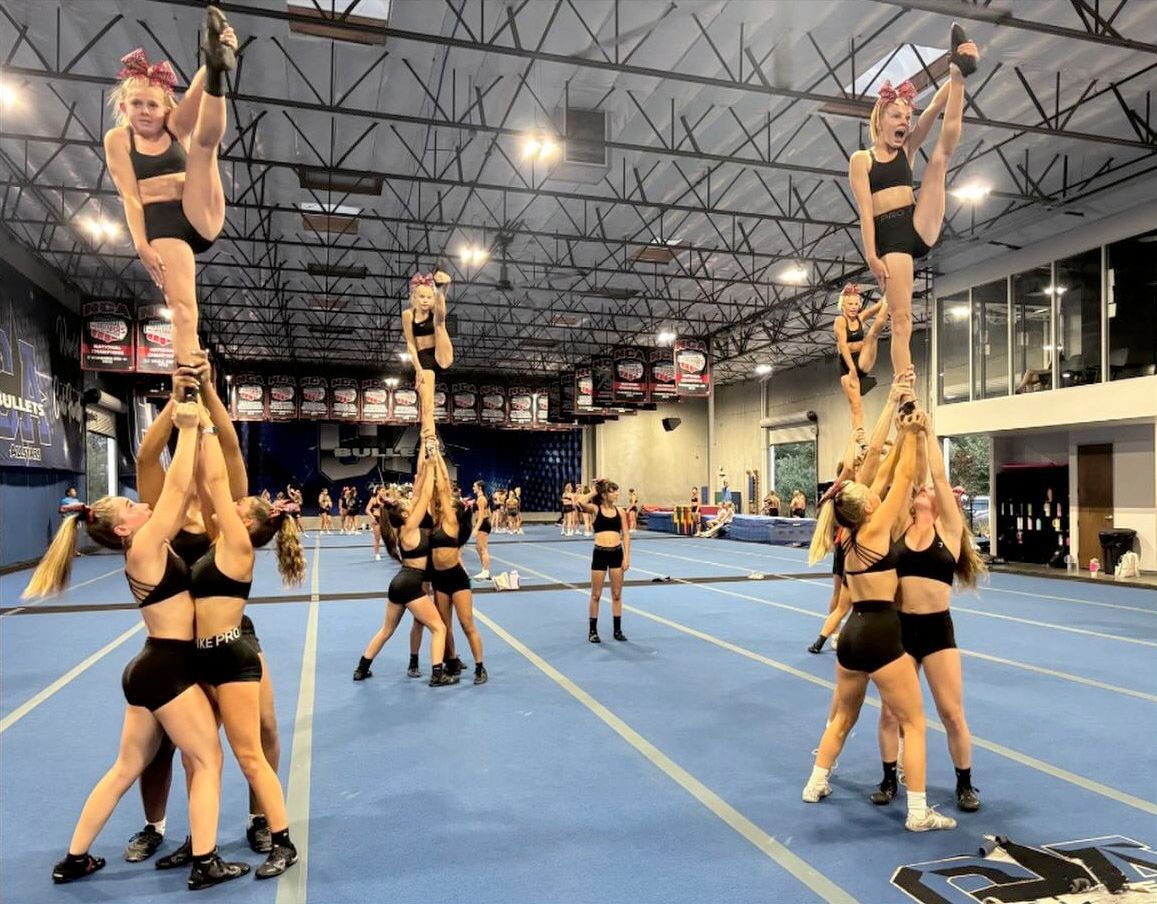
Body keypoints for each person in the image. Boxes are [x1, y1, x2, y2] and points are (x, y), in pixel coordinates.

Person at [25, 400, 249, 889]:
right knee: (208, 759)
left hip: (147, 667)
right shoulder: (145, 546)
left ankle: (75, 857)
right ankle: (206, 861)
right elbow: (171, 488)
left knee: (127, 765)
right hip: (169, 667)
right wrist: (188, 428)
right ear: (124, 529)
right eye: (130, 506)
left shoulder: (149, 547)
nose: (138, 502)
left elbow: (180, 491)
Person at [126, 356, 282, 866]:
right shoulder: (163, 508)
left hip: (230, 635)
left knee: (264, 730)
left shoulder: (223, 510)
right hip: (176, 643)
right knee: (165, 745)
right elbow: (146, 459)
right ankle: (158, 826)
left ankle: (260, 818)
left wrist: (209, 393)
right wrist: (177, 401)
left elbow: (232, 450)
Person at [802, 403, 956, 832]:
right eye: (870, 495)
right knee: (914, 723)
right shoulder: (874, 526)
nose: (875, 493)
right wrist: (911, 434)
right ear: (868, 507)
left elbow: (881, 474)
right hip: (883, 632)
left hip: (850, 636)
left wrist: (895, 427)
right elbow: (903, 477)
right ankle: (918, 812)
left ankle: (815, 783)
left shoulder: (847, 533)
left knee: (843, 717)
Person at [184, 406, 303, 878]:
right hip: (207, 657)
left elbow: (217, 478)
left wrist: (204, 426)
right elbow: (216, 484)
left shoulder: (235, 542)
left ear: (246, 523)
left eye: (239, 505)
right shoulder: (224, 540)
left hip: (231, 657)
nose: (232, 502)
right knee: (206, 754)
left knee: (249, 755)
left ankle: (283, 842)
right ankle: (202, 845)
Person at [103, 8, 238, 375]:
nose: (145, 112)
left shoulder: (175, 126)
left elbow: (191, 102)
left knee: (204, 146)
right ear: (123, 107)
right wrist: (141, 244)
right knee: (183, 307)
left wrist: (212, 56)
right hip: (162, 228)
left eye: (152, 105)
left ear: (165, 108)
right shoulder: (118, 140)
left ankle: (216, 72)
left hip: (198, 211)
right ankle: (187, 370)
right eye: (137, 104)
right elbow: (130, 195)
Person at [869, 421, 987, 813]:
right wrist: (909, 436)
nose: (923, 490)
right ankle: (889, 778)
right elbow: (909, 476)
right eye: (920, 490)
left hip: (937, 630)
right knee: (890, 712)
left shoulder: (949, 530)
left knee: (952, 713)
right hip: (900, 629)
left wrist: (929, 433)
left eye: (929, 490)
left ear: (942, 501)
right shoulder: (901, 525)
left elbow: (935, 473)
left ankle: (965, 784)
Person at [849, 24, 979, 376]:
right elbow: (865, 211)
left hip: (916, 222)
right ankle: (904, 391)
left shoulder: (907, 149)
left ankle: (959, 72)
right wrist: (871, 256)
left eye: (907, 117)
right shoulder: (862, 160)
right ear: (880, 119)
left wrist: (955, 73)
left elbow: (935, 107)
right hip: (891, 241)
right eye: (897, 116)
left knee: (939, 160)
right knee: (902, 319)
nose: (904, 122)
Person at [353, 446, 456, 685]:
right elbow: (423, 496)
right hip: (411, 583)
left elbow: (419, 493)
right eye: (407, 506)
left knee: (386, 630)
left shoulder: (401, 531)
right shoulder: (410, 527)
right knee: (439, 628)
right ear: (406, 515)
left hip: (399, 583)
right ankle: (438, 674)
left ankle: (362, 668)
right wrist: (431, 466)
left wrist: (424, 466)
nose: (411, 504)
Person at [428, 456, 487, 684]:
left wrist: (439, 460)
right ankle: (451, 661)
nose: (442, 501)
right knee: (445, 626)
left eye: (448, 502)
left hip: (456, 578)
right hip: (439, 579)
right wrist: (429, 463)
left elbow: (442, 487)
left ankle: (480, 667)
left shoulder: (451, 523)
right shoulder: (435, 519)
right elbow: (433, 491)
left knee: (467, 623)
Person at [401, 270, 453, 454]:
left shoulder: (434, 311)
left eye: (428, 297)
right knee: (427, 402)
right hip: (425, 360)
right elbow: (410, 343)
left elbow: (440, 315)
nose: (424, 300)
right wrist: (417, 369)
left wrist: (441, 290)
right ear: (414, 297)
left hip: (440, 352)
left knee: (440, 322)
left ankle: (442, 288)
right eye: (421, 296)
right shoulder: (408, 315)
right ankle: (430, 438)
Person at [572, 479, 630, 643]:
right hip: (600, 553)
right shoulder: (596, 509)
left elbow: (626, 534)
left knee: (617, 594)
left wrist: (626, 557)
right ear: (604, 495)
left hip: (616, 553)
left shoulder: (621, 512)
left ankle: (617, 630)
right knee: (596, 594)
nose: (617, 494)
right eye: (613, 491)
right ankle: (593, 631)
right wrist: (594, 491)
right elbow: (580, 502)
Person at [835, 283, 889, 436]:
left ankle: (889, 304)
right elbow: (843, 346)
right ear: (843, 305)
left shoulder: (860, 317)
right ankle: (858, 434)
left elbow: (876, 306)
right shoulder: (840, 321)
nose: (853, 307)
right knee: (856, 405)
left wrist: (888, 292)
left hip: (863, 359)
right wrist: (852, 369)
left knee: (872, 335)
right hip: (847, 366)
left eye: (855, 304)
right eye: (849, 304)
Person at [471, 480, 492, 580]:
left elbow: (480, 517)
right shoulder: (480, 499)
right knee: (478, 547)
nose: (473, 488)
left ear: (479, 488)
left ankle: (486, 571)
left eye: (474, 486)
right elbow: (488, 512)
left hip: (482, 524)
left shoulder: (481, 499)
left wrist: (476, 528)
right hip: (483, 523)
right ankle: (484, 569)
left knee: (483, 548)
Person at [367, 485, 387, 560]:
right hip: (377, 519)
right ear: (378, 491)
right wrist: (373, 518)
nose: (384, 492)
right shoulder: (373, 499)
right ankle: (377, 554)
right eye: (382, 491)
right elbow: (367, 510)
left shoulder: (385, 499)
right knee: (377, 538)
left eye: (384, 491)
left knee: (389, 537)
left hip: (385, 520)